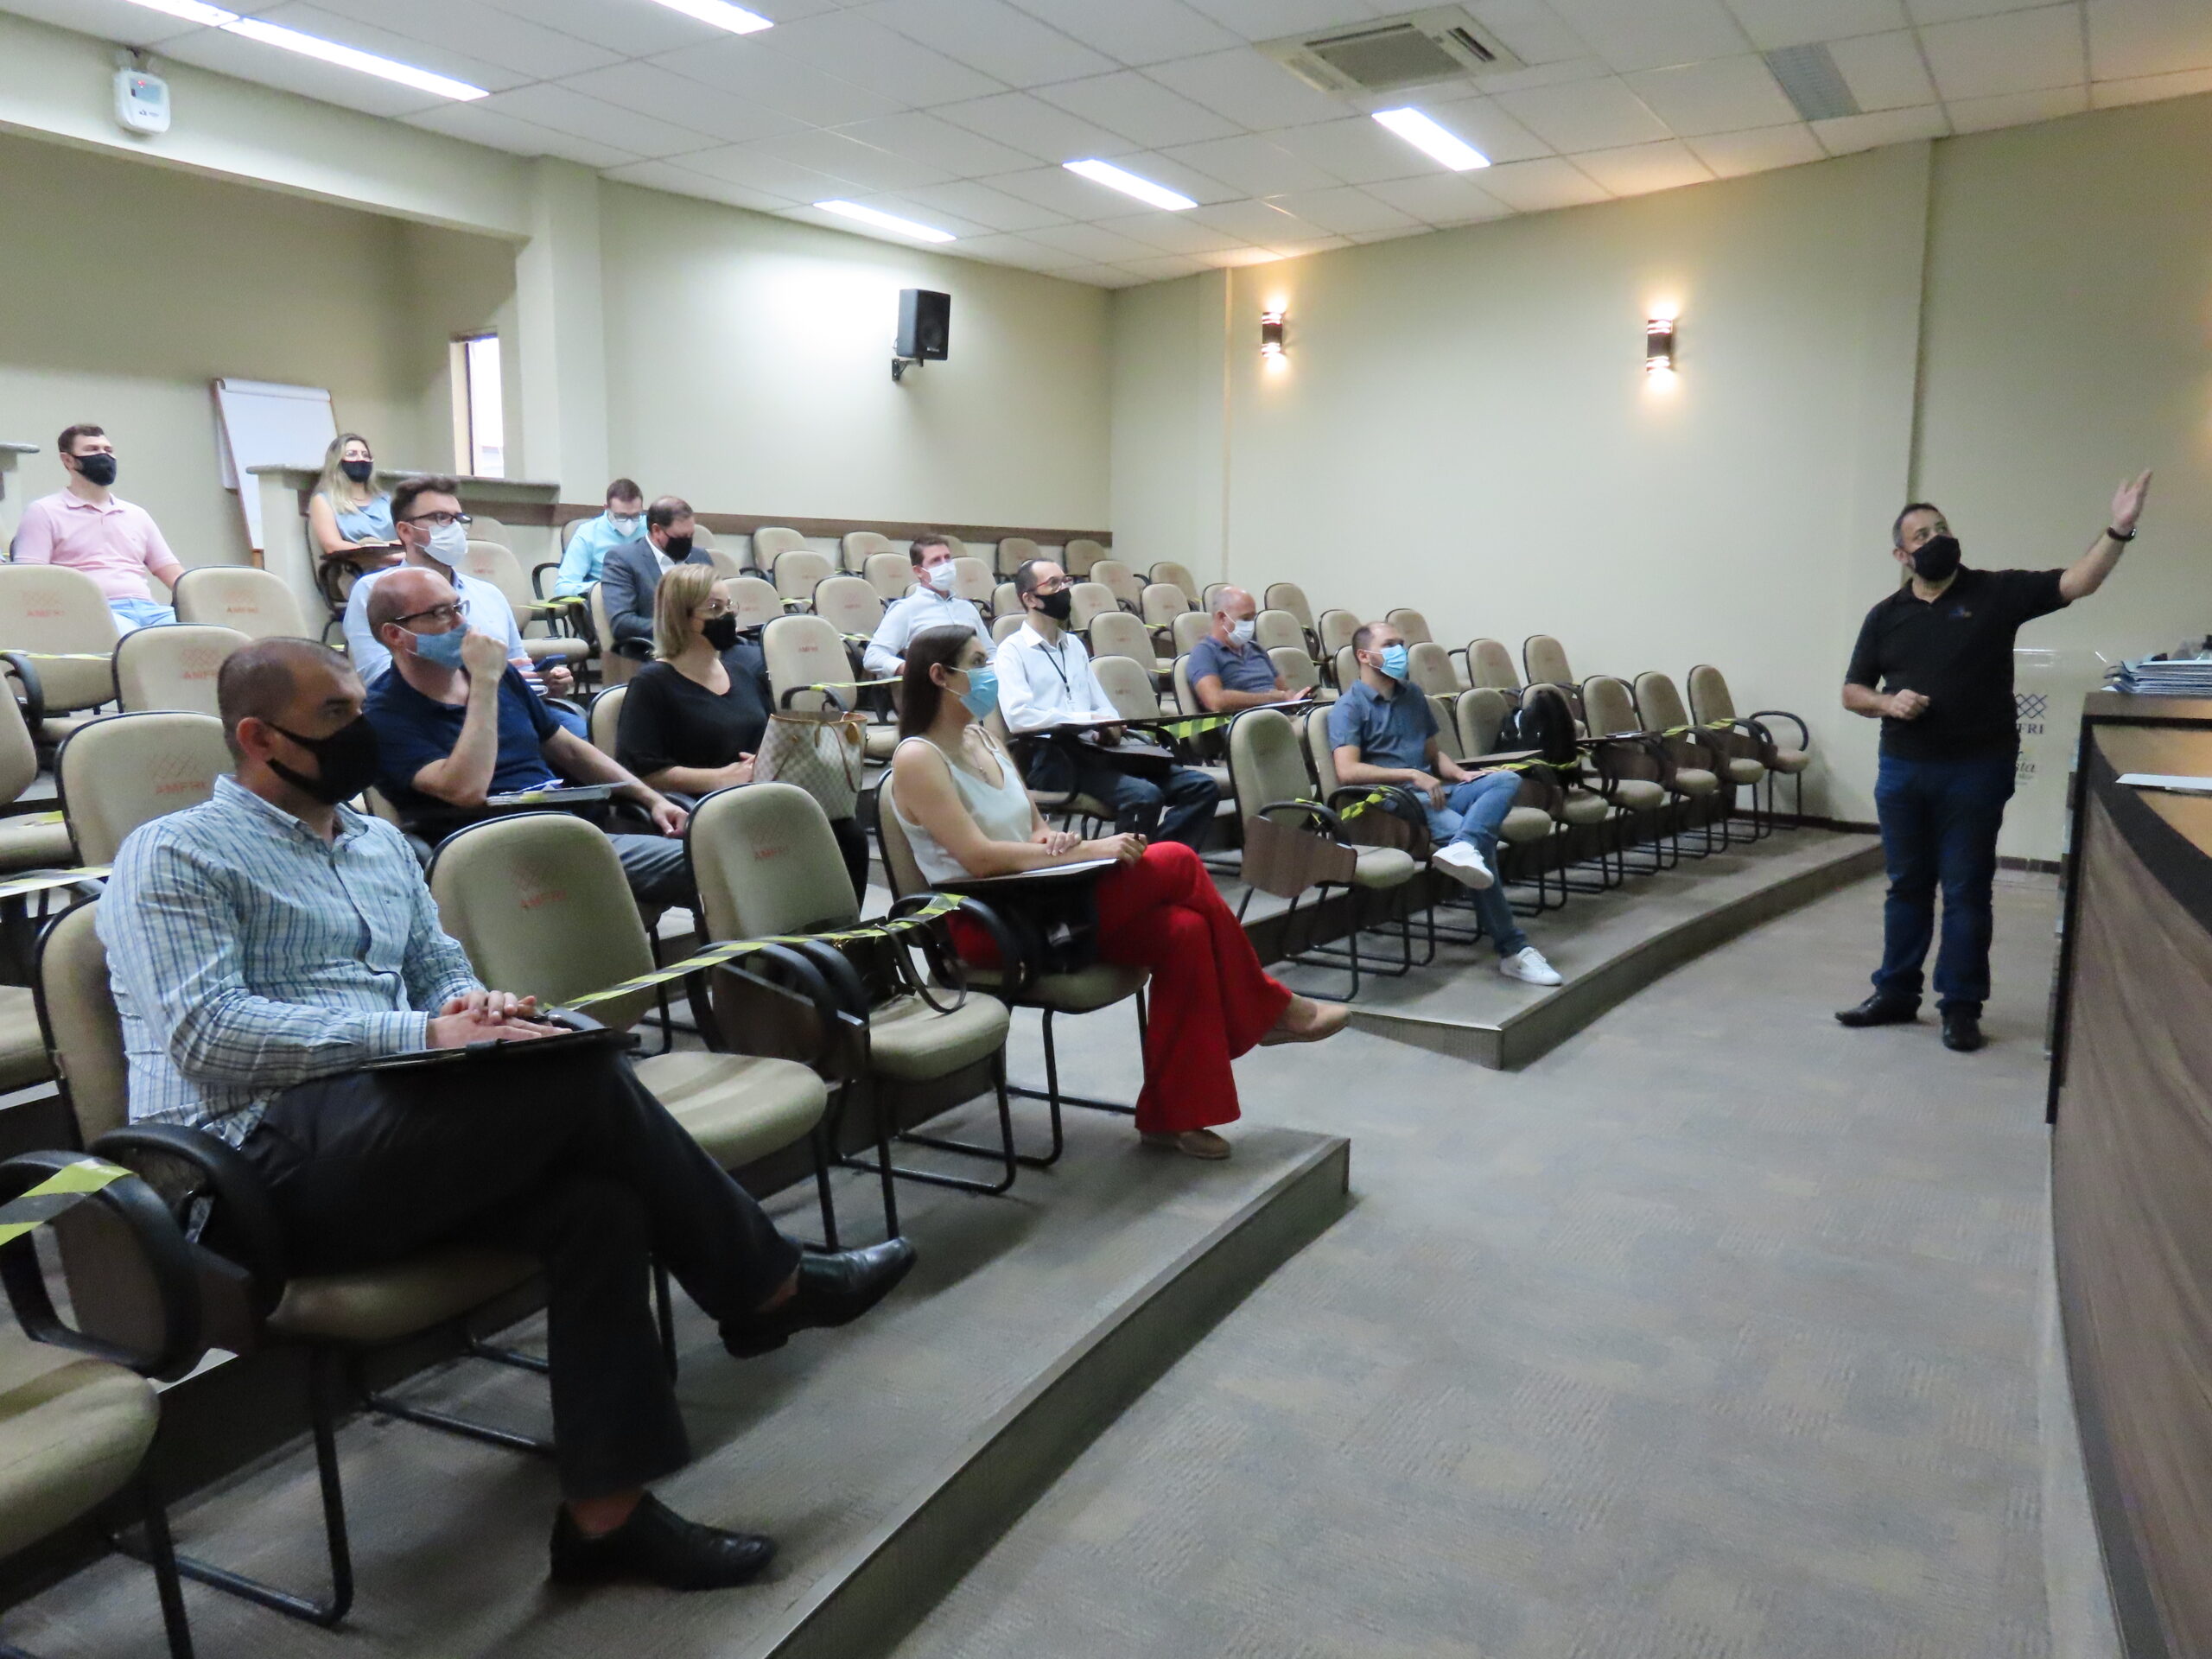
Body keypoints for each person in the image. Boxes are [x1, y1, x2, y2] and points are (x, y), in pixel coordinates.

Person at [98, 636, 913, 1590]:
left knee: (596, 1201)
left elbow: (439, 970)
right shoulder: (174, 853)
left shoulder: (377, 844)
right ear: (254, 736)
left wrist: (478, 1007)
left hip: (385, 1129)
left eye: (360, 709)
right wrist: (423, 1036)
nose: (360, 732)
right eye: (334, 718)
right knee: (575, 1074)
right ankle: (763, 1285)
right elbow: (210, 1035)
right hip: (250, 1167)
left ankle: (604, 1521)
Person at [888, 626, 1347, 1160]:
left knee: (1185, 930)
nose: (990, 671)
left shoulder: (983, 738)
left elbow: (1033, 827)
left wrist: (1055, 841)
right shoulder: (916, 757)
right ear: (941, 676)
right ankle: (1268, 1009)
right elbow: (978, 858)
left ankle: (1173, 1116)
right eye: (978, 661)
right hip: (988, 924)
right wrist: (1086, 851)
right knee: (1175, 859)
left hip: (1043, 895)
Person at [1837, 474, 2152, 1052]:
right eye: (1922, 534)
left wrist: (2120, 527)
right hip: (1903, 770)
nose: (1936, 539)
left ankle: (1960, 1006)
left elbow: (2078, 582)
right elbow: (1853, 690)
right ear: (1901, 555)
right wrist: (1888, 701)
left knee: (1965, 889)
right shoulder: (1886, 616)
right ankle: (1896, 994)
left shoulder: (1994, 592)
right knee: (1906, 885)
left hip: (1976, 770)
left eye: (1942, 529)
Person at [364, 568, 692, 910]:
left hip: (566, 832)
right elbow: (466, 789)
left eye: (458, 607)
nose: (460, 624)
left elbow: (569, 749)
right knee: (707, 861)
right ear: (395, 634)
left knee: (714, 849)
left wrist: (652, 799)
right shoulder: (384, 715)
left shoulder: (498, 674)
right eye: (439, 613)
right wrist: (485, 684)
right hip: (493, 855)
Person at [616, 563, 871, 900]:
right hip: (708, 804)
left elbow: (770, 737)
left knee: (848, 834)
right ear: (683, 616)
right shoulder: (652, 684)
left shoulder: (741, 673)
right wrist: (719, 778)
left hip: (760, 791)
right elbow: (641, 771)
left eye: (729, 606)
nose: (727, 616)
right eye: (714, 608)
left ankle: (841, 936)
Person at [1330, 621, 1562, 988]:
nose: (1399, 651)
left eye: (1401, 643)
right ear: (1364, 655)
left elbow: (1434, 756)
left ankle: (1464, 846)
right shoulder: (1348, 707)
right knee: (1481, 851)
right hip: (1395, 802)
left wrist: (1460, 774)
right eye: (1389, 644)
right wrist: (1411, 775)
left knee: (1505, 779)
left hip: (1438, 789)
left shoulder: (1412, 696)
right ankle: (1513, 951)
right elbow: (1347, 770)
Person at [993, 558, 1219, 849]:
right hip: (1052, 759)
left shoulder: (1073, 645)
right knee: (1143, 796)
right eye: (1053, 584)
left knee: (1201, 788)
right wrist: (1085, 719)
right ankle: (1126, 877)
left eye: (1065, 581)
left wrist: (1111, 725)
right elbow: (1019, 718)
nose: (1064, 589)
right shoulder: (1012, 651)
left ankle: (1156, 861)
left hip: (1097, 750)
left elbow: (1102, 704)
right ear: (1030, 599)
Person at [341, 475, 582, 734]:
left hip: (513, 711)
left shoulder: (489, 594)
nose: (454, 528)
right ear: (406, 531)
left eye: (458, 519)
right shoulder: (373, 592)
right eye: (441, 518)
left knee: (581, 734)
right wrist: (481, 681)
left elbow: (517, 667)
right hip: (435, 720)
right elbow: (378, 678)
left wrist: (544, 681)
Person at [14, 423, 184, 633]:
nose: (103, 455)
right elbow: (29, 580)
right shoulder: (43, 511)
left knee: (209, 636)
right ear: (68, 460)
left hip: (151, 611)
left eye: (108, 450)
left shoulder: (136, 514)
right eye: (92, 450)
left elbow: (174, 575)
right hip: (92, 612)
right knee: (135, 643)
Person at [601, 497, 714, 661]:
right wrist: (683, 628)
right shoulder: (622, 560)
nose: (687, 542)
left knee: (753, 660)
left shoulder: (700, 556)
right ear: (657, 530)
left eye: (691, 535)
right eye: (681, 536)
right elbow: (622, 623)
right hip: (658, 650)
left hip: (707, 645)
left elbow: (715, 603)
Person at [862, 534, 988, 679]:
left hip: (977, 685)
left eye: (947, 558)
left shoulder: (967, 608)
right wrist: (913, 669)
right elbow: (873, 656)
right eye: (936, 561)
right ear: (918, 571)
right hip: (934, 689)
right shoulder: (906, 609)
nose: (945, 565)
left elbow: (991, 652)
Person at [1189, 586, 1304, 714]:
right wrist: (1270, 699)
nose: (1250, 625)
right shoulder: (1204, 652)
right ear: (1222, 617)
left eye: (1252, 618)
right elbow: (1215, 701)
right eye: (1245, 619)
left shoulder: (1256, 649)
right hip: (1248, 723)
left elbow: (1284, 691)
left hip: (1283, 717)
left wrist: (1293, 697)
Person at [306, 431, 397, 561]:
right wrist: (381, 554)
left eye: (366, 455)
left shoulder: (386, 500)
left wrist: (384, 550)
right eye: (352, 454)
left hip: (397, 564)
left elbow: (407, 539)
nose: (360, 459)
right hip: (355, 568)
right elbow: (332, 545)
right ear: (337, 461)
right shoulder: (323, 501)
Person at [553, 480, 648, 598]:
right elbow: (564, 587)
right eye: (621, 516)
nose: (629, 522)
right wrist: (602, 588)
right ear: (606, 508)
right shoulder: (588, 533)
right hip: (609, 599)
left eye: (635, 515)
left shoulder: (651, 528)